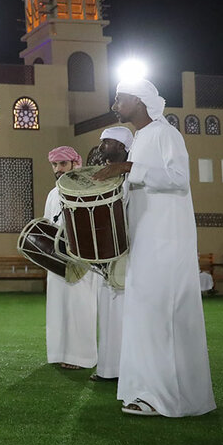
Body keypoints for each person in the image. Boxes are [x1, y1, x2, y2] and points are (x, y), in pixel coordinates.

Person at [93, 79, 215, 417]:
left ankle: (169, 398)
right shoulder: (142, 139)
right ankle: (145, 392)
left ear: (139, 100)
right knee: (144, 316)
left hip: (166, 242)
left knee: (163, 316)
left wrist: (129, 168)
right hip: (145, 241)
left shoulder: (165, 133)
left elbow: (178, 179)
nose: (115, 102)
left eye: (120, 97)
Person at [44, 146, 99, 370]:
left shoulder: (86, 188)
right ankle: (59, 352)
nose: (58, 169)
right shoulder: (52, 193)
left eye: (62, 164)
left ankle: (81, 357)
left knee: (80, 306)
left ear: (76, 164)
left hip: (81, 259)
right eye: (55, 165)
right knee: (58, 306)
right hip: (56, 258)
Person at [89, 126, 133, 383]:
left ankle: (126, 368)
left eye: (106, 143)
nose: (101, 147)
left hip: (129, 254)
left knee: (124, 311)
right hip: (106, 253)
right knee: (107, 311)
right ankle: (108, 368)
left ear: (121, 147)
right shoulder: (103, 176)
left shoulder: (133, 177)